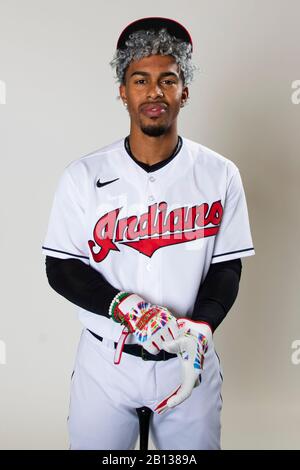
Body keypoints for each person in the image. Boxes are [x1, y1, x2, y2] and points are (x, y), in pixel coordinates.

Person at [42, 17, 255, 450]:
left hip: (187, 358)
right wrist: (124, 306)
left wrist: (203, 327)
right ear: (123, 91)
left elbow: (226, 267)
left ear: (184, 91)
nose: (154, 91)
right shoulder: (84, 175)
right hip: (108, 361)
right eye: (141, 80)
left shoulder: (220, 174)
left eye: (168, 79)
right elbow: (61, 266)